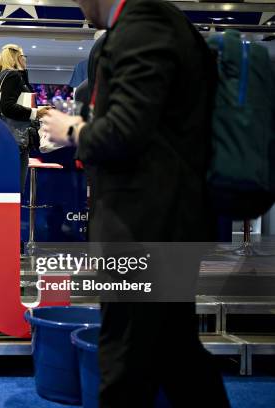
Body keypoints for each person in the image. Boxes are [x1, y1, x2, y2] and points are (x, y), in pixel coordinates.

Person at [41, 0, 230, 407]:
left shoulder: (143, 24)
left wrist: (70, 128)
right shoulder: (159, 22)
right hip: (160, 222)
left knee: (126, 357)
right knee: (174, 354)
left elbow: (125, 133)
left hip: (143, 227)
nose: (76, 3)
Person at [0, 44, 49, 190]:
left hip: (4, 138)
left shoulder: (1, 77)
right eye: (23, 56)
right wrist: (36, 113)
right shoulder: (13, 76)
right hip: (16, 139)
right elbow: (7, 107)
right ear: (17, 57)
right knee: (15, 190)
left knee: (5, 188)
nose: (25, 59)